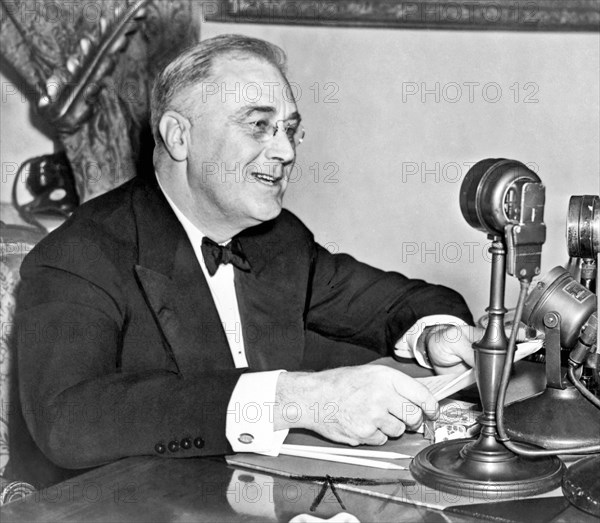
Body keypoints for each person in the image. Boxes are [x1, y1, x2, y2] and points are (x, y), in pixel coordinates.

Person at [9, 34, 476, 489]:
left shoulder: (278, 239)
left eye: (289, 130)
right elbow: (68, 420)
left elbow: (405, 302)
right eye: (258, 125)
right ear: (179, 136)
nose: (287, 151)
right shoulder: (80, 254)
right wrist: (297, 400)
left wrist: (435, 333)